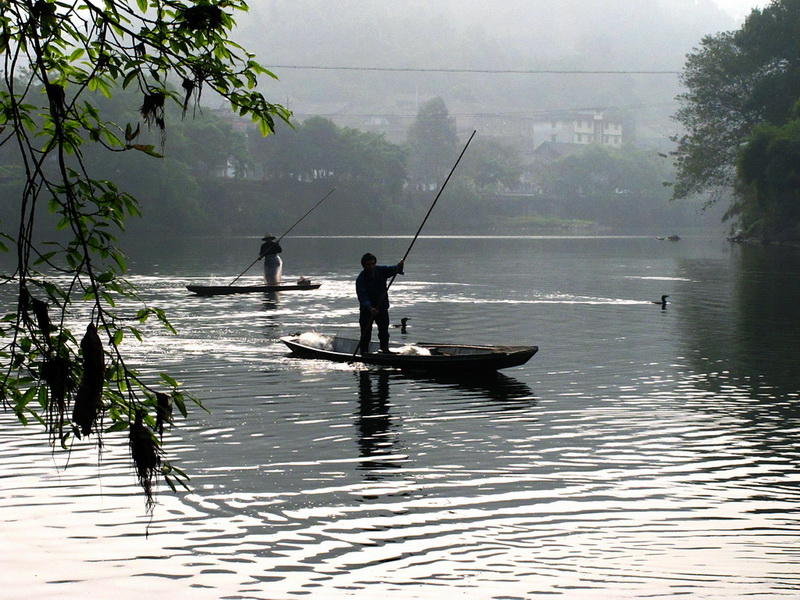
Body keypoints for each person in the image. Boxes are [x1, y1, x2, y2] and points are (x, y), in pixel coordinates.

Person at [356, 253, 404, 354]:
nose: (371, 266)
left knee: (384, 332)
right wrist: (370, 308)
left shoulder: (381, 270)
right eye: (368, 265)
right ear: (364, 265)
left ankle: (384, 350)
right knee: (365, 334)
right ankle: (364, 353)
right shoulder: (361, 279)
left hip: (382, 308)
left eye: (373, 264)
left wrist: (399, 266)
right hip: (367, 311)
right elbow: (362, 296)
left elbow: (393, 269)